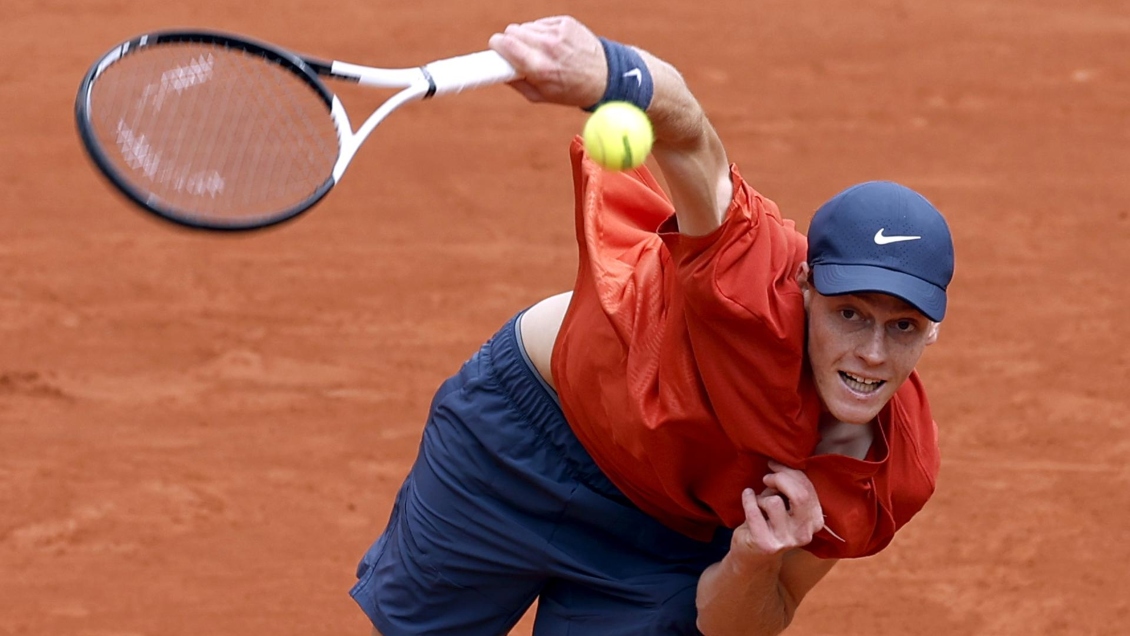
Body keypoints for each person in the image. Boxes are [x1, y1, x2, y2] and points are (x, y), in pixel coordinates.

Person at [350, 15, 955, 636]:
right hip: (519, 440)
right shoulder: (748, 274)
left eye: (903, 326)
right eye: (849, 314)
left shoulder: (887, 478)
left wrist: (751, 559)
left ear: (935, 329)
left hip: (674, 528)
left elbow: (751, 619)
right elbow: (690, 134)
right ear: (804, 285)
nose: (872, 353)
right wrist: (609, 70)